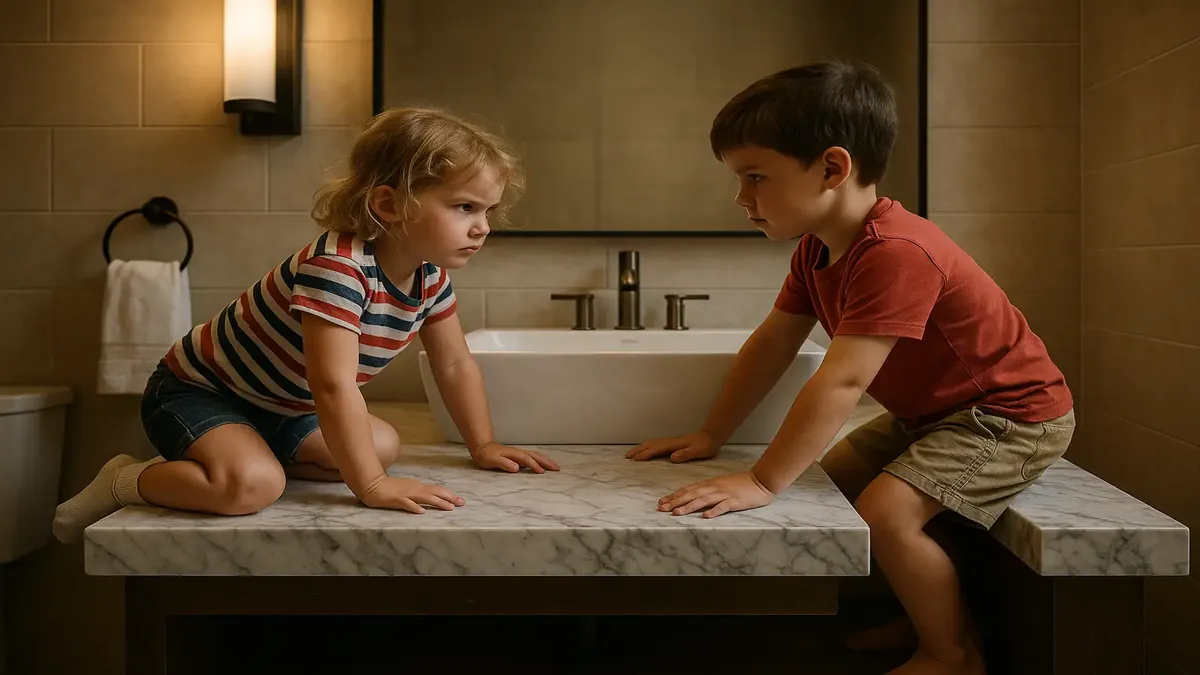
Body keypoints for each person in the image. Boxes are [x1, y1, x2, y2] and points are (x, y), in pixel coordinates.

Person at [627, 61, 1074, 675]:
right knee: (835, 477)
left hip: (1006, 416)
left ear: (833, 169)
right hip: (939, 415)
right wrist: (713, 435)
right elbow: (772, 346)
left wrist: (761, 482)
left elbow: (843, 379)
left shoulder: (896, 252)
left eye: (755, 176)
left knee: (886, 513)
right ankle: (928, 610)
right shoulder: (818, 248)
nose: (741, 197)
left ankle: (951, 652)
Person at [54, 107, 559, 543]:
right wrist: (371, 487)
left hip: (283, 406)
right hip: (199, 392)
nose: (482, 226)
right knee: (249, 488)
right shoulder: (337, 268)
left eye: (488, 210)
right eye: (464, 207)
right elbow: (332, 384)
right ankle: (127, 479)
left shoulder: (429, 276)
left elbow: (453, 363)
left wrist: (483, 445)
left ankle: (254, 454)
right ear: (388, 204)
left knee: (381, 445)